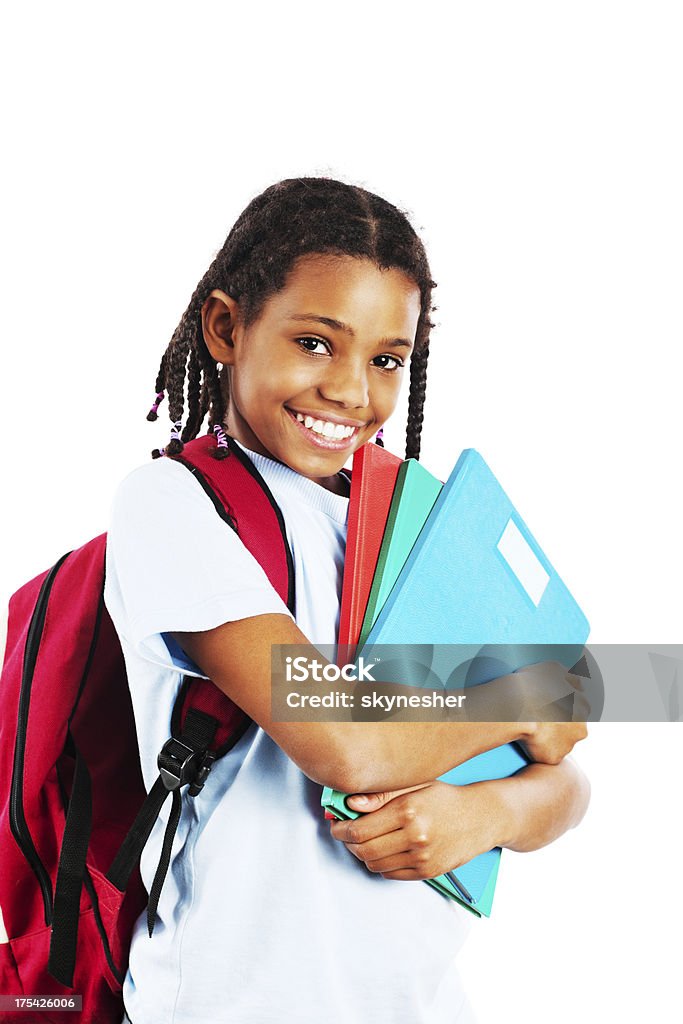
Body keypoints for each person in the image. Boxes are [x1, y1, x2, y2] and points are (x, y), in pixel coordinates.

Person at [104, 177, 590, 1024]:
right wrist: (522, 697)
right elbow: (342, 740)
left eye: (386, 360)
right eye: (315, 343)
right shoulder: (174, 506)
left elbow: (566, 776)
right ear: (226, 327)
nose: (350, 392)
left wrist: (486, 811)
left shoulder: (420, 523)